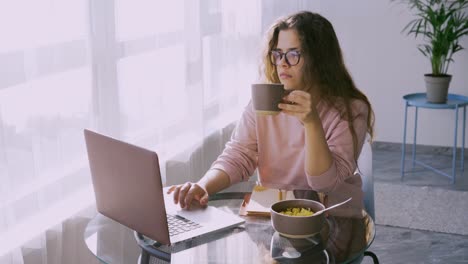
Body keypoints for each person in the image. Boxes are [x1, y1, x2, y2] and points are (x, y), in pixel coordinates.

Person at [168, 11, 375, 262]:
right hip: (273, 219)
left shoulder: (351, 109)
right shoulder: (266, 101)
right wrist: (203, 186)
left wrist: (311, 123)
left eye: (293, 54)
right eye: (277, 54)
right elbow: (239, 154)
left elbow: (325, 183)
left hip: (336, 221)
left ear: (319, 58)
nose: (282, 63)